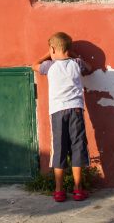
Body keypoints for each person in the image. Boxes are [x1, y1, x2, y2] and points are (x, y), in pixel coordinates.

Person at [32, 32, 92, 203]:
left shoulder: (49, 66)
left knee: (59, 147)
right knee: (78, 146)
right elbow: (89, 67)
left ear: (52, 48)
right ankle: (78, 189)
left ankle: (59, 191)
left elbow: (34, 65)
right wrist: (72, 54)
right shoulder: (77, 63)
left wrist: (47, 53)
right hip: (76, 110)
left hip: (58, 112)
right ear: (69, 49)